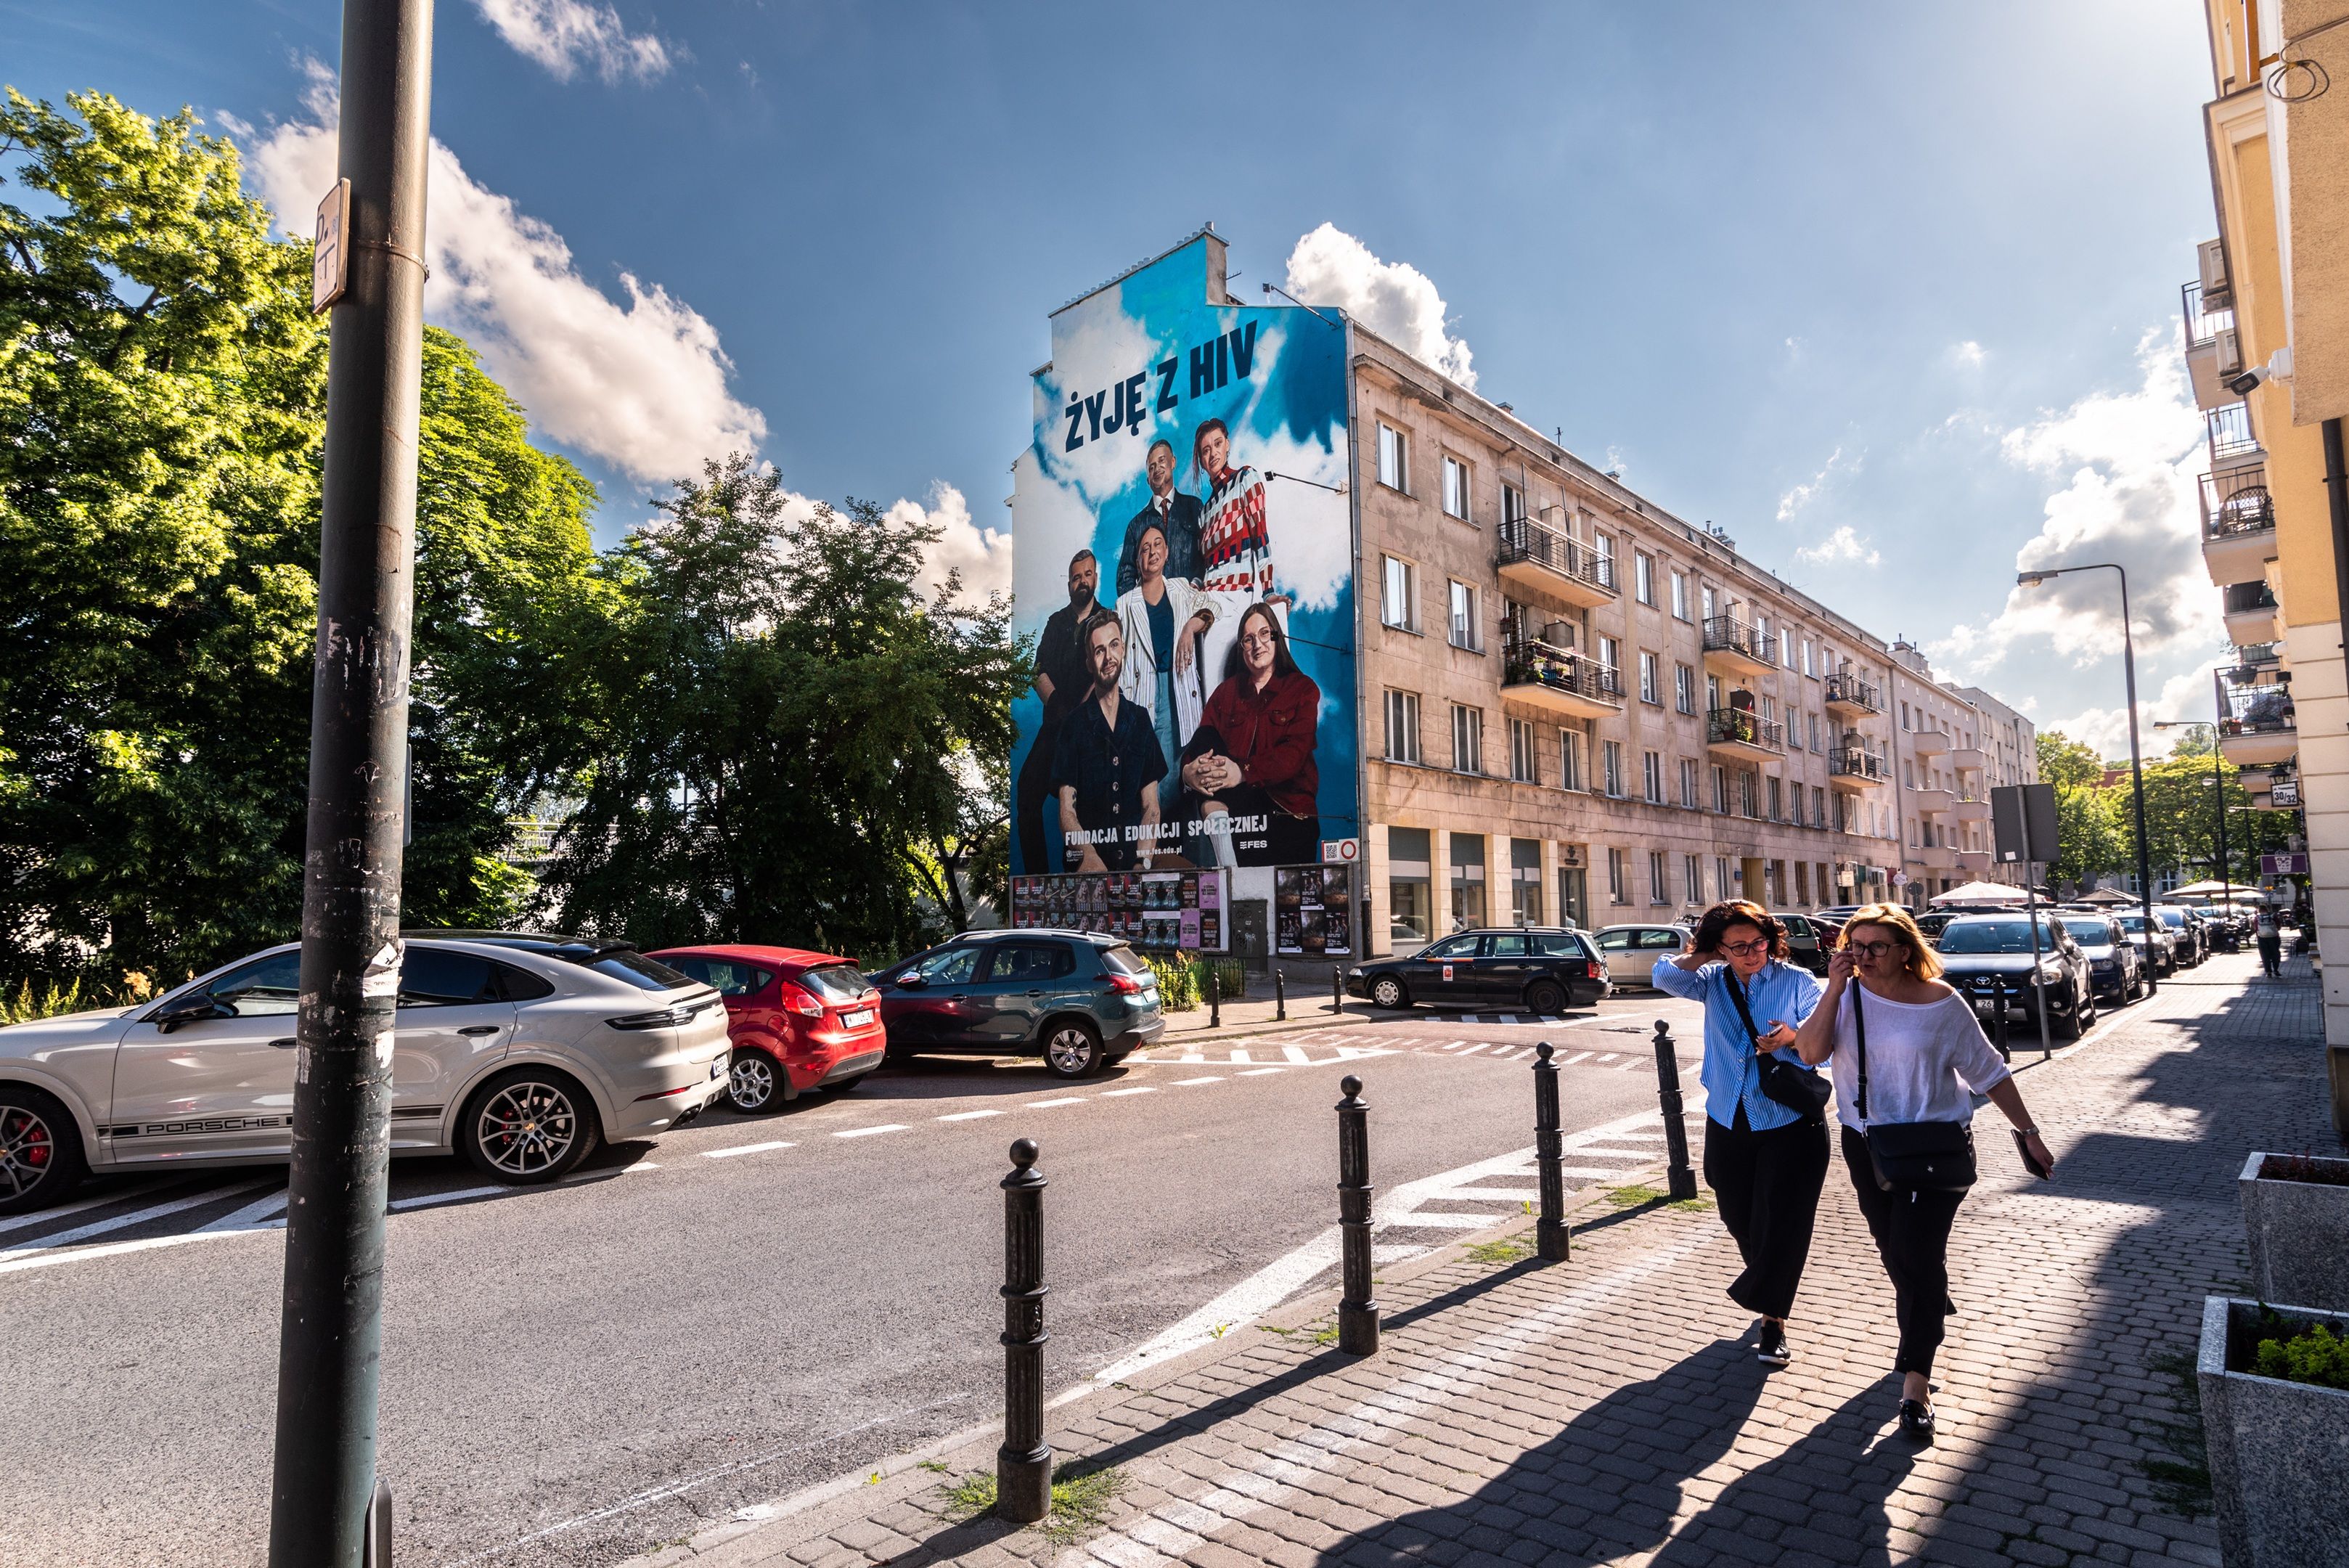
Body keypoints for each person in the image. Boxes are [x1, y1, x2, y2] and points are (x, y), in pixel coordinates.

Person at [1792, 902, 2055, 1443]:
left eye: (1875, 947)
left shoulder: (1942, 1003)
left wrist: (2029, 1133)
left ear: (1905, 952)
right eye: (1853, 946)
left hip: (1935, 1146)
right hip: (1869, 1145)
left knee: (1914, 1256)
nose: (1861, 956)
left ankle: (1916, 1383)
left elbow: (1989, 1072)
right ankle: (1929, 1298)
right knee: (1897, 1252)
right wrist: (1835, 989)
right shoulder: (1844, 996)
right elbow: (1811, 1051)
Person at [1652, 901, 1829, 1368]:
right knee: (1736, 1211)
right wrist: (1702, 954)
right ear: (1722, 949)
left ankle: (1773, 1321)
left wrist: (1791, 1038)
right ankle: (1766, 1277)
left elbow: (1823, 1043)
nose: (1753, 953)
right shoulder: (1712, 981)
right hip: (1728, 1116)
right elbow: (1663, 977)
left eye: (1759, 942)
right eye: (1739, 947)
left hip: (1788, 1121)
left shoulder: (1796, 981)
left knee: (1780, 1223)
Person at [1177, 602, 1320, 867]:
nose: (1258, 645)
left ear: (1276, 637)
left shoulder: (1302, 689)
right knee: (1205, 739)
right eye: (1248, 639)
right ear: (1242, 648)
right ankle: (1226, 857)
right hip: (1242, 814)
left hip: (1288, 814)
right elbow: (1199, 745)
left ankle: (1230, 860)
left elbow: (1293, 756)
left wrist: (1242, 771)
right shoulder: (1225, 693)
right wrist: (1187, 774)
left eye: (1265, 634)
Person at [1114, 520, 1219, 810]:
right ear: (1138, 561)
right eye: (1145, 548)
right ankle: (1155, 848)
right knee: (1153, 776)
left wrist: (1190, 627)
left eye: (1158, 544)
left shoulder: (1181, 588)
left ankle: (1181, 845)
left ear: (1168, 552)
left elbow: (1214, 608)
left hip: (1181, 684)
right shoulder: (1124, 604)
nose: (1152, 551)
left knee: (1185, 763)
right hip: (1145, 691)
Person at [1015, 550, 1107, 873]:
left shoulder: (1106, 620)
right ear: (1069, 584)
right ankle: (1036, 880)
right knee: (1027, 792)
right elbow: (1039, 670)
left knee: (1080, 809)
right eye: (1076, 577)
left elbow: (1108, 672)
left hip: (1091, 732)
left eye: (1087, 575)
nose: (1082, 581)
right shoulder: (1056, 623)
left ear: (1096, 578)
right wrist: (1057, 706)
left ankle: (1080, 880)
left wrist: (1079, 714)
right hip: (1055, 726)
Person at [1051, 613, 1164, 871]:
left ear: (1123, 649)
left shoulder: (1140, 720)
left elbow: (1151, 807)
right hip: (1087, 870)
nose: (1108, 657)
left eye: (1114, 645)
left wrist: (1142, 862)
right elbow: (1067, 812)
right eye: (1099, 651)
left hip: (1134, 867)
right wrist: (1088, 857)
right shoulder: (1072, 726)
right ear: (1089, 663)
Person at [1114, 439, 1204, 595]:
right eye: (1151, 467)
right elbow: (1125, 575)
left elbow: (1207, 554)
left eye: (1161, 461)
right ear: (1148, 479)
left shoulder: (1194, 507)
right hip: (1152, 614)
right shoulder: (1136, 525)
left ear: (1173, 462)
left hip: (1192, 605)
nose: (1157, 469)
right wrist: (1140, 605)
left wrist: (1196, 586)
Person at [1194, 419, 1271, 600]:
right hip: (1207, 598)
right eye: (1206, 451)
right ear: (1201, 462)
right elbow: (1201, 566)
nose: (1213, 453)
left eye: (1218, 444)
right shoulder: (1204, 513)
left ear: (1227, 445)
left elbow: (1260, 536)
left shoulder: (1245, 478)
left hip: (1235, 593)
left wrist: (1268, 591)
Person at [2257, 908, 2283, 978]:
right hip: (2274, 938)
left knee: (2265, 955)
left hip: (2262, 938)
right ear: (2267, 910)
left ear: (2259, 911)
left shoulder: (2257, 918)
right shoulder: (2273, 917)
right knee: (2275, 954)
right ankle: (2276, 970)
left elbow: (2255, 928)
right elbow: (2279, 926)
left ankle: (2268, 972)